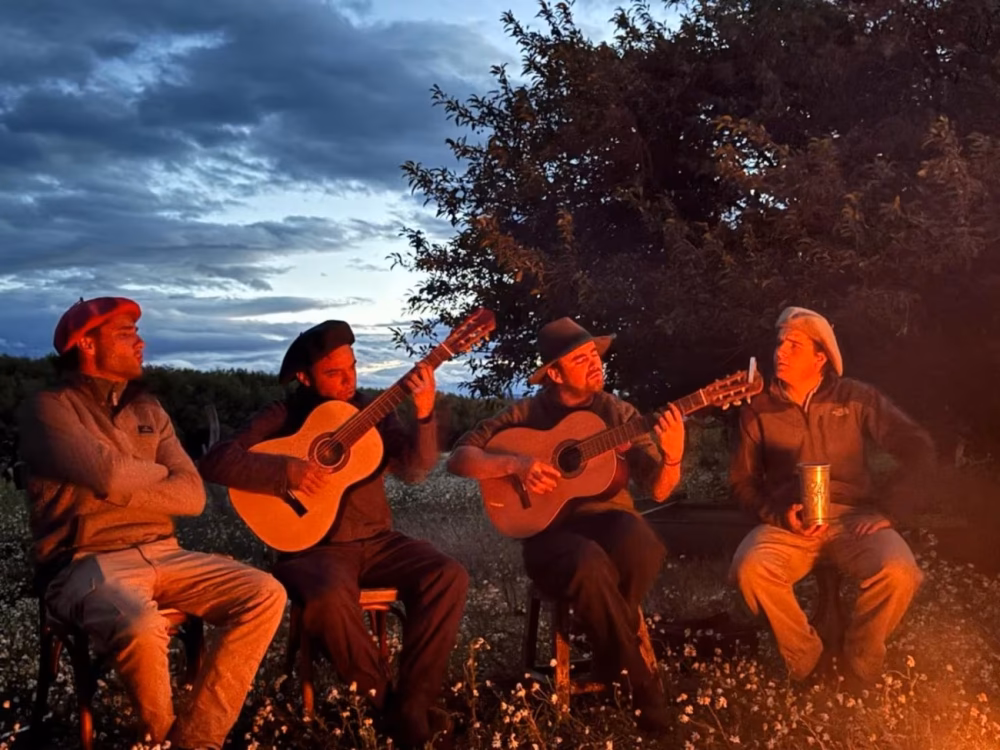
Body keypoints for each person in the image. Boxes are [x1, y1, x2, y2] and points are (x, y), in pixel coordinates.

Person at [16, 297, 286, 750]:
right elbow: (106, 474)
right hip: (83, 562)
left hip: (164, 551)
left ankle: (196, 740)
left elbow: (193, 496)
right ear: (85, 343)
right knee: (141, 622)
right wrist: (159, 476)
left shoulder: (149, 411)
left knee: (265, 592)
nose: (141, 342)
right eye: (125, 334)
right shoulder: (50, 409)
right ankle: (160, 741)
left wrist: (128, 479)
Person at [199, 320, 468, 748]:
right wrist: (286, 471)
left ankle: (413, 705)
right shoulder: (283, 415)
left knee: (448, 574)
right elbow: (216, 462)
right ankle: (393, 712)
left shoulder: (372, 413)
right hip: (312, 548)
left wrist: (424, 411)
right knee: (326, 599)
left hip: (378, 540)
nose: (349, 381)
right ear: (305, 377)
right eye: (334, 373)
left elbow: (415, 471)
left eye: (353, 368)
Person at [446, 317, 684, 732]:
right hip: (547, 535)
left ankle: (609, 650)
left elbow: (661, 491)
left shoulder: (619, 413)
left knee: (644, 543)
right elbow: (459, 458)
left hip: (610, 522)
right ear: (554, 373)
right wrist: (516, 464)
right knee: (585, 559)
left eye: (595, 354)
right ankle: (642, 687)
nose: (595, 364)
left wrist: (675, 457)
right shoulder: (526, 413)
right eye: (580, 358)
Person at [729, 306, 933, 687]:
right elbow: (742, 480)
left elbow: (917, 447)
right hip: (789, 522)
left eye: (794, 345)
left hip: (852, 519)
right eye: (779, 343)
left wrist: (889, 509)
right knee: (750, 568)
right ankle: (807, 661)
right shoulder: (759, 406)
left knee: (900, 571)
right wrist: (777, 514)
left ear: (820, 356)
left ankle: (860, 661)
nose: (780, 352)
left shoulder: (855, 397)